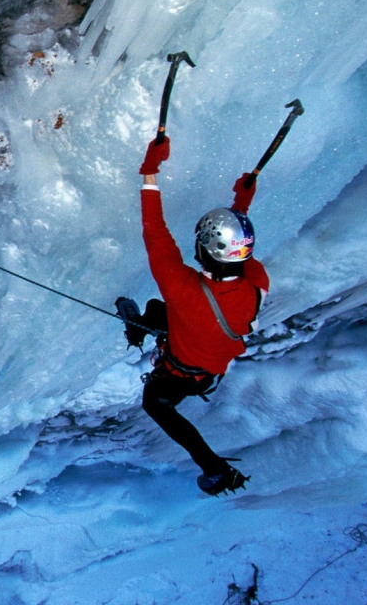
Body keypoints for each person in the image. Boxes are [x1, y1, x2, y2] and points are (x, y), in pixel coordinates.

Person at [125, 136, 270, 496]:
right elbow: (237, 256)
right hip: (203, 374)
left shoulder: (181, 287)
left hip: (178, 368)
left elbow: (155, 229)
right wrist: (240, 209)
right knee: (161, 312)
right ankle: (137, 329)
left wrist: (149, 171)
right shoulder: (255, 287)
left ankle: (215, 467)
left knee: (153, 400)